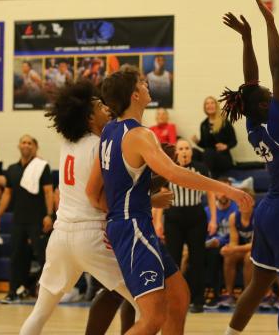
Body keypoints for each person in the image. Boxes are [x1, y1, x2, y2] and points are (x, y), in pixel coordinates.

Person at [86, 65, 252, 335]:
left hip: (131, 225)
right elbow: (175, 173)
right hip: (133, 229)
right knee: (152, 318)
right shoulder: (139, 134)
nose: (146, 85)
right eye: (141, 82)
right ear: (134, 95)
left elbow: (93, 192)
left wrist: (131, 207)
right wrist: (228, 190)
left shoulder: (109, 132)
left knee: (179, 296)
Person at [21, 79, 176, 335]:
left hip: (61, 236)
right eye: (99, 106)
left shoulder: (67, 144)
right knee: (149, 305)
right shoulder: (102, 146)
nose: (106, 108)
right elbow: (111, 198)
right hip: (92, 233)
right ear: (88, 118)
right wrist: (153, 195)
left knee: (39, 312)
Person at [219, 0, 279, 335]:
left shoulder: (254, 124)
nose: (274, 94)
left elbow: (250, 83)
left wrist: (247, 38)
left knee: (258, 285)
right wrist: (269, 22)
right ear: (266, 106)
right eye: (270, 97)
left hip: (268, 210)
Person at [0, 135, 54, 304]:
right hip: (18, 220)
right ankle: (14, 291)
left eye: (30, 143)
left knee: (43, 256)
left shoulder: (42, 167)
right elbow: (7, 194)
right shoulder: (12, 169)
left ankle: (46, 292)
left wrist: (49, 215)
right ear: (18, 145)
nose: (26, 145)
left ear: (35, 147)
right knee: (16, 257)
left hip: (38, 219)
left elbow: (49, 192)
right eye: (23, 142)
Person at [159, 137, 216, 312]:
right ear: (176, 152)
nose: (184, 151)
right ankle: (172, 299)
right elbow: (163, 195)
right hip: (173, 218)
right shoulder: (169, 169)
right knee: (173, 260)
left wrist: (213, 218)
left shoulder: (200, 168)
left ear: (191, 151)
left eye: (186, 148)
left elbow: (211, 193)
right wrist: (157, 222)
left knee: (197, 259)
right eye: (181, 149)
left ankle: (198, 300)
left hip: (196, 217)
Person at [193, 96, 238, 177]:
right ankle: (193, 176)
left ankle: (207, 178)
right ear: (205, 107)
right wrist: (197, 142)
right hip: (209, 156)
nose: (209, 105)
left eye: (212, 103)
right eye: (207, 103)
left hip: (223, 157)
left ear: (216, 106)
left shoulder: (224, 122)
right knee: (193, 151)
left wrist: (226, 146)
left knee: (208, 152)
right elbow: (205, 145)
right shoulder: (204, 124)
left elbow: (234, 141)